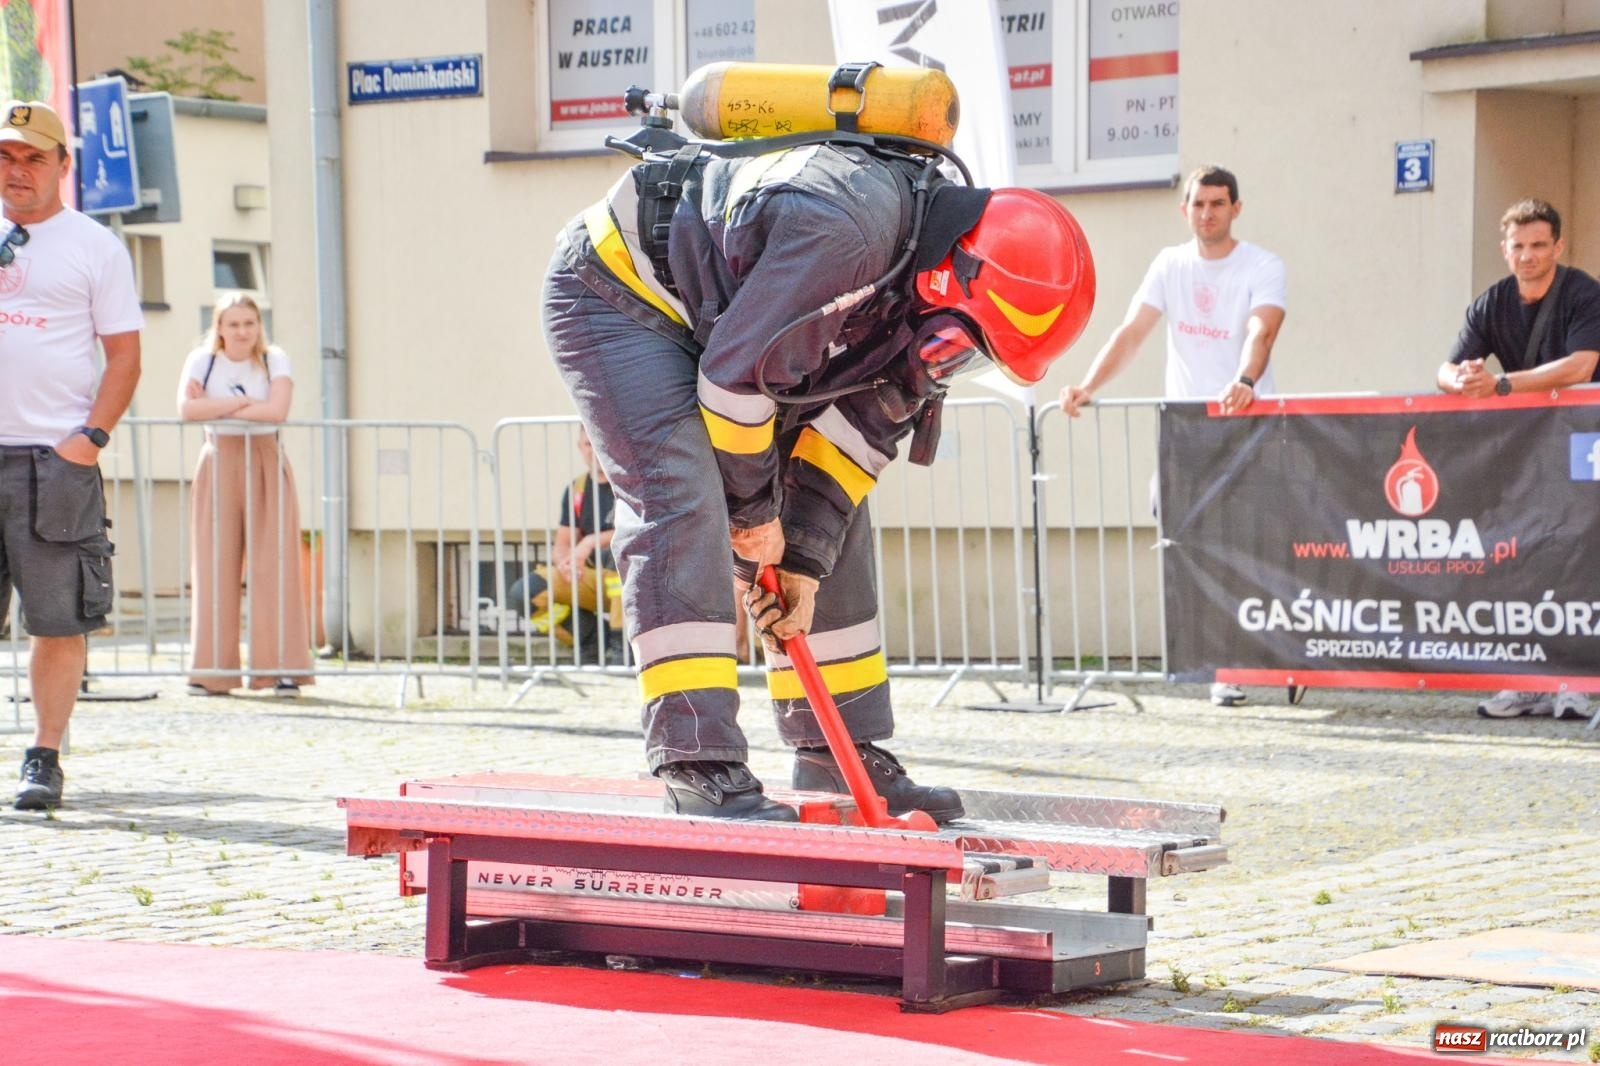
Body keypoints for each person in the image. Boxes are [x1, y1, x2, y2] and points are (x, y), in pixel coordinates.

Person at [544, 128, 1094, 822]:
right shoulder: (846, 235)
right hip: (621, 295)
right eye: (958, 346)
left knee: (832, 520)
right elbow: (735, 389)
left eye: (967, 359)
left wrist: (799, 558)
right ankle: (699, 766)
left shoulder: (917, 302)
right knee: (682, 500)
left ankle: (837, 754)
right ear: (944, 280)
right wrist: (755, 522)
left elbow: (854, 440)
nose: (946, 363)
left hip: (724, 326)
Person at [1058, 164, 1286, 708]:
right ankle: (1212, 657)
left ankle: (1244, 658)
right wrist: (1087, 385)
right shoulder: (1170, 264)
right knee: (1183, 534)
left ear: (1236, 207)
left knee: (1243, 544)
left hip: (1245, 426)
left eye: (1217, 203)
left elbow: (1263, 327)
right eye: (1198, 203)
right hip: (1186, 432)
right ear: (1184, 209)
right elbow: (1133, 331)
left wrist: (1245, 379)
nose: (1207, 213)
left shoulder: (1262, 265)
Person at [0, 101, 143, 810]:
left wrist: (88, 441)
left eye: (32, 157)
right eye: (4, 157)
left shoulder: (94, 246)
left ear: (62, 164)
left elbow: (124, 356)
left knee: (57, 618)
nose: (17, 171)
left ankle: (44, 756)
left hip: (52, 462)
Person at [1436, 198, 1600, 721]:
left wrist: (1501, 384)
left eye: (1538, 245)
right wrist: (1461, 380)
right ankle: (1529, 682)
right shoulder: (1489, 303)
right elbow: (1446, 368)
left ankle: (1578, 683)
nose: (1528, 255)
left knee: (1582, 557)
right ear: (1504, 249)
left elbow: (1580, 367)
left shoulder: (1584, 294)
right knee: (1525, 555)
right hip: (1527, 449)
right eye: (1518, 246)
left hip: (1585, 444)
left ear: (1558, 246)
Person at [177, 293, 314, 697]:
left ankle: (281, 669)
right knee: (214, 566)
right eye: (233, 324)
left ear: (259, 326)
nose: (242, 332)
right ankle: (211, 672)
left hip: (266, 458)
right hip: (219, 457)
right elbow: (187, 409)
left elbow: (277, 411)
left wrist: (215, 407)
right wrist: (242, 402)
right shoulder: (202, 361)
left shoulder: (274, 359)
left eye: (249, 323)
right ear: (219, 327)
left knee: (275, 565)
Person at [507, 426, 623, 665]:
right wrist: (565, 564)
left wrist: (591, 542)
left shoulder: (628, 483)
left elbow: (636, 532)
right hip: (591, 579)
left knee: (616, 554)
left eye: (600, 441)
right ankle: (591, 639)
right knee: (525, 594)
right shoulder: (577, 490)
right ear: (579, 447)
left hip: (626, 582)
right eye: (588, 444)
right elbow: (562, 544)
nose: (595, 450)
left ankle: (623, 647)